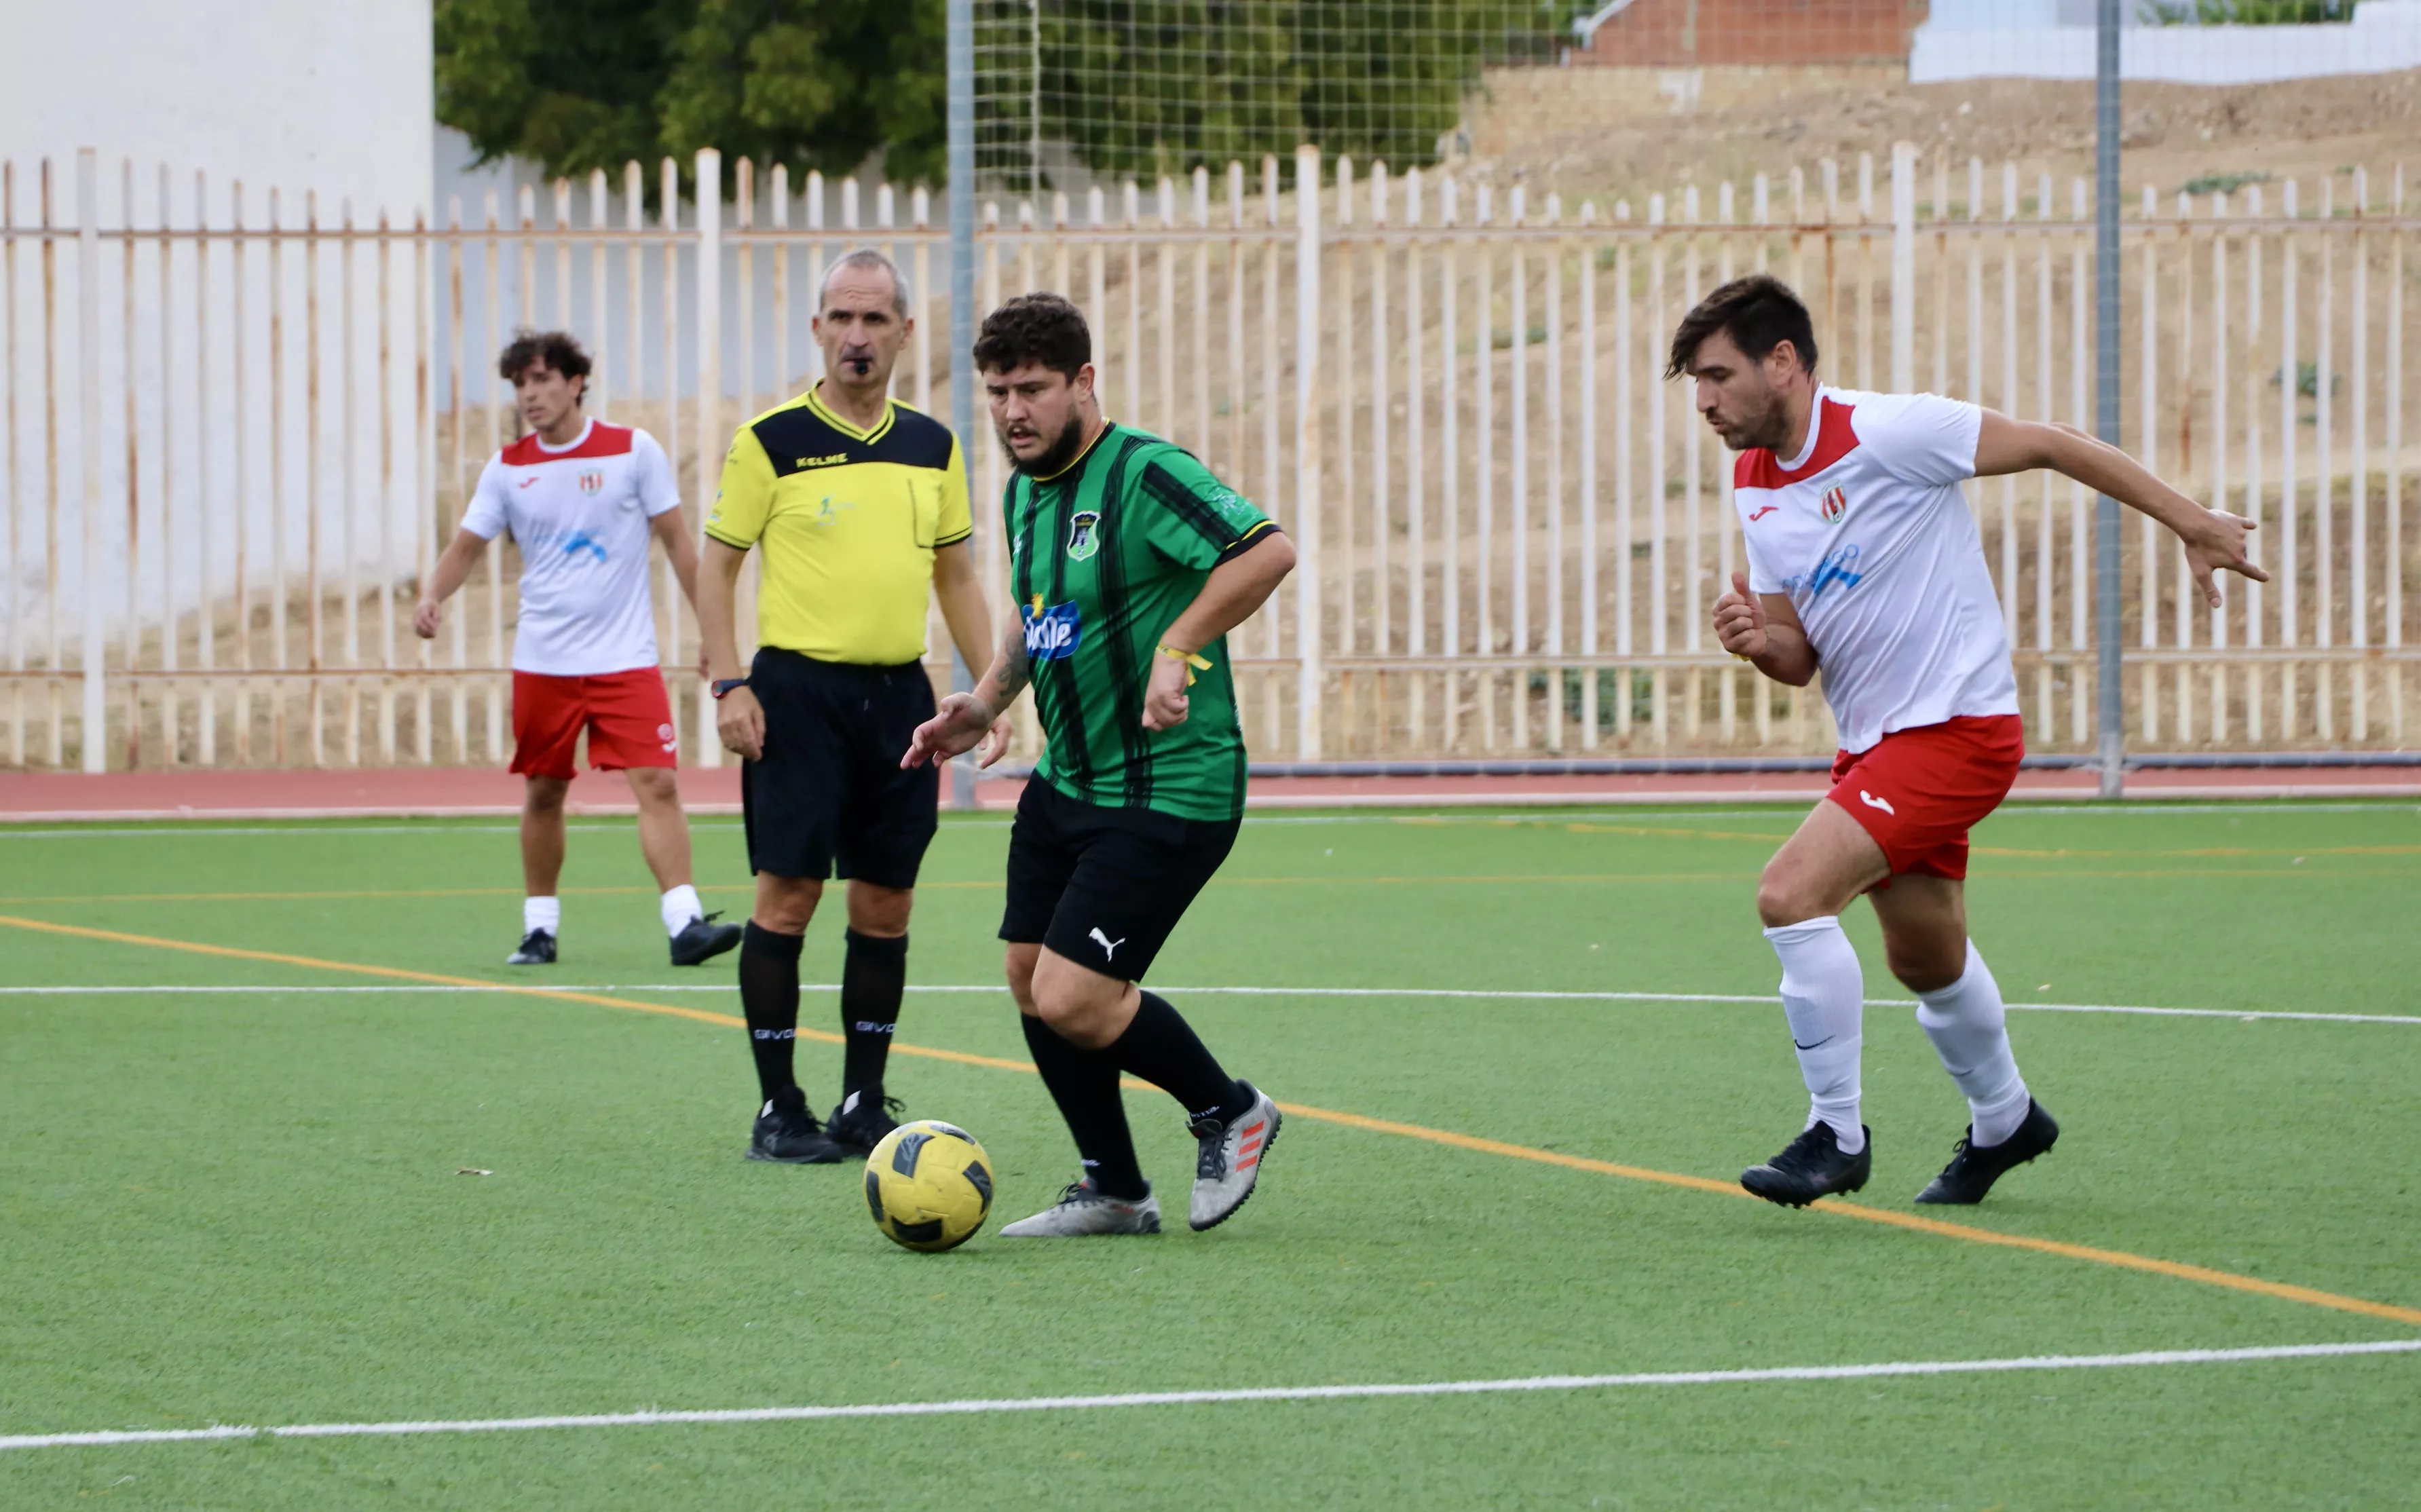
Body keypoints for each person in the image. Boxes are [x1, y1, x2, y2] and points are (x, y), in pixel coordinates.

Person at [1679, 274, 2263, 1207]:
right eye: (1693, 384)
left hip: (1956, 731)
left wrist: (2189, 522)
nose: (1702, 402)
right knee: (1924, 957)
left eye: (1714, 376)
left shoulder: (1888, 430)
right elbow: (1797, 656)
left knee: (1789, 895)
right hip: (1877, 745)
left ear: (1780, 362)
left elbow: (2050, 444)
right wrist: (1756, 642)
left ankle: (1833, 1135)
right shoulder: (1752, 481)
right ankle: (2005, 1120)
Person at [903, 292, 1296, 1237]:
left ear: (1083, 381)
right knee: (1026, 972)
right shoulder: (1021, 488)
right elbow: (1036, 609)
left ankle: (1228, 1110)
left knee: (1073, 995)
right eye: (996, 392)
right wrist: (986, 701)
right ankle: (1115, 1188)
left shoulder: (1145, 472)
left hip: (1167, 786)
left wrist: (1180, 645)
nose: (1011, 412)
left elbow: (1265, 551)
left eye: (1032, 389)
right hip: (1066, 782)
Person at [697, 250, 1005, 1165]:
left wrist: (989, 693)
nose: (857, 338)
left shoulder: (932, 445)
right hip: (794, 696)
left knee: (885, 906)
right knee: (785, 898)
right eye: (841, 319)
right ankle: (776, 1110)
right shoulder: (770, 441)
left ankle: (862, 1101)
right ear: (817, 331)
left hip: (897, 701)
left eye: (875, 321)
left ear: (905, 333)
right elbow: (716, 565)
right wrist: (728, 682)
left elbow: (954, 575)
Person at [415, 330, 740, 970]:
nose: (530, 395)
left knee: (659, 783)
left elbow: (678, 544)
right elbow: (467, 547)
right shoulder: (508, 467)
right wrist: (433, 595)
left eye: (541, 380)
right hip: (544, 663)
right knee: (543, 791)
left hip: (625, 659)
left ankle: (685, 923)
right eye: (520, 385)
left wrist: (712, 633)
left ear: (575, 382)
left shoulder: (631, 451)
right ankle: (540, 929)